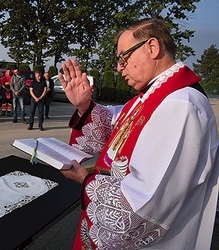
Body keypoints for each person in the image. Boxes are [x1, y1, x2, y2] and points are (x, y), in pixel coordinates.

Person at [58, 18, 219, 249]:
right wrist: (84, 106)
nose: (119, 67)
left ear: (152, 48)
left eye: (123, 57)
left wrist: (86, 180)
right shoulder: (148, 97)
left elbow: (147, 203)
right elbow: (114, 126)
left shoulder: (181, 105)